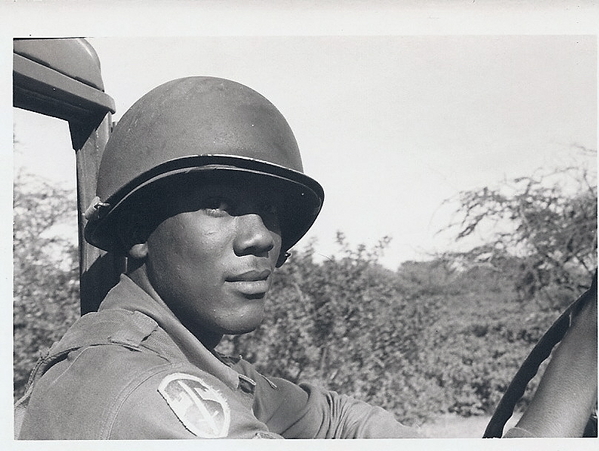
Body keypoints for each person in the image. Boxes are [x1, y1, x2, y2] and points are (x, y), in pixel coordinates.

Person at [15, 76, 596, 439]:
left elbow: (334, 418)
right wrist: (584, 350)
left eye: (271, 213)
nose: (262, 237)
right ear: (140, 231)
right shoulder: (146, 396)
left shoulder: (198, 365)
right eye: (219, 206)